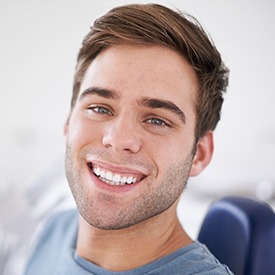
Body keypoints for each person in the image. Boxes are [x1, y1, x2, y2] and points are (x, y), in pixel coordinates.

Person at [24, 3, 232, 275]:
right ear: (68, 122)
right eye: (100, 108)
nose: (118, 139)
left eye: (157, 120)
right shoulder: (55, 230)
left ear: (200, 154)